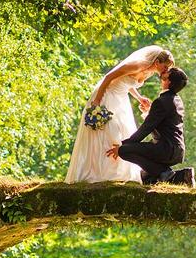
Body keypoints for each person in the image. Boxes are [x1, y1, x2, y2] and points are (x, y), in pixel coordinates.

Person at [64, 45, 174, 184]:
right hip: (107, 95)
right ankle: (97, 172)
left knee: (123, 132)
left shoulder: (149, 72)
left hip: (121, 98)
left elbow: (127, 83)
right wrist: (97, 100)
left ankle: (116, 173)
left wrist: (139, 98)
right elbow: (109, 77)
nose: (166, 70)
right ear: (157, 62)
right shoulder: (137, 65)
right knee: (108, 132)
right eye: (165, 66)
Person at [106, 67, 195, 187]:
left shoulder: (161, 101)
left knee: (124, 151)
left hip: (165, 150)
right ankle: (178, 175)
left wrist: (123, 145)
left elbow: (146, 128)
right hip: (177, 151)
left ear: (168, 81)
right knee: (146, 177)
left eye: (167, 73)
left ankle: (166, 173)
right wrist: (149, 111)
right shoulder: (176, 100)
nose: (164, 73)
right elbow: (163, 122)